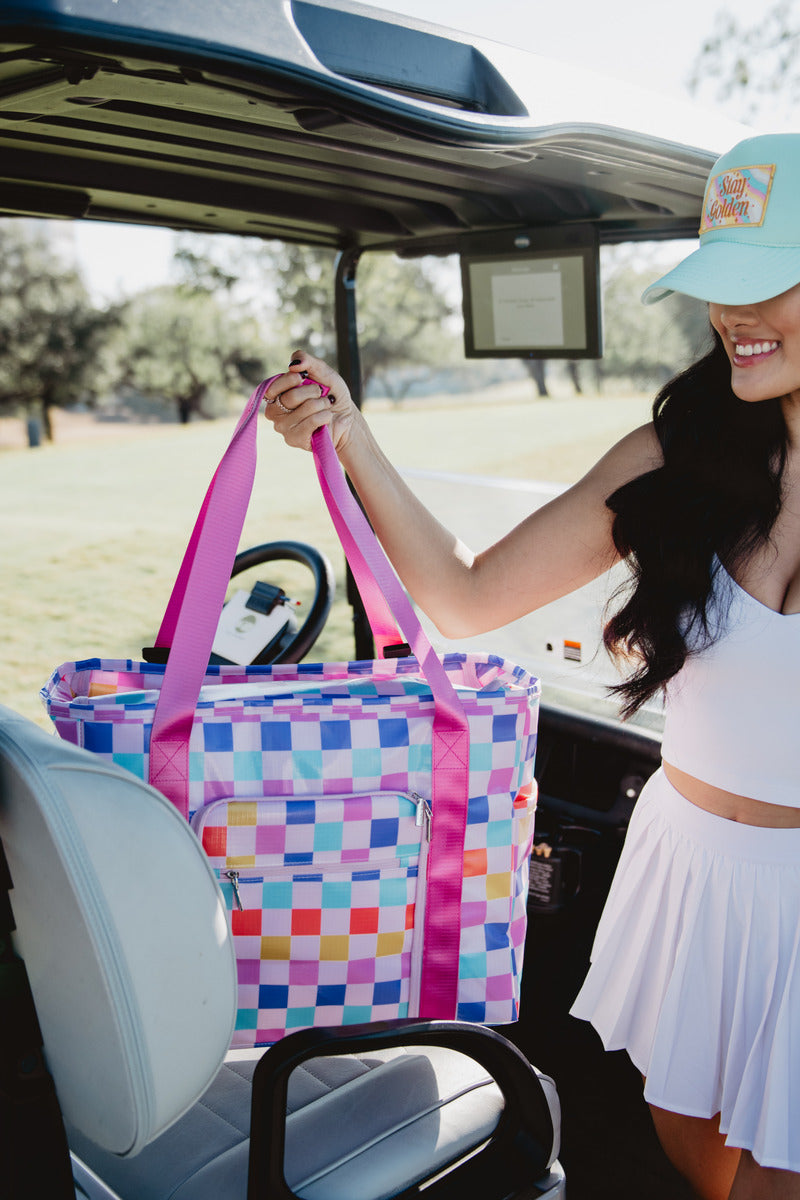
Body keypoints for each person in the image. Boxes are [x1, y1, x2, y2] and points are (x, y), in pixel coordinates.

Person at [264, 131, 800, 1200]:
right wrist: (353, 438)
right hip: (688, 872)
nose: (732, 318)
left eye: (767, 284)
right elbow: (464, 596)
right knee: (699, 1164)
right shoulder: (676, 459)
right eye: (716, 287)